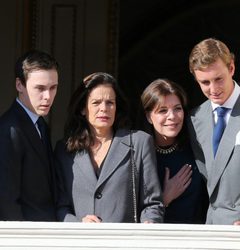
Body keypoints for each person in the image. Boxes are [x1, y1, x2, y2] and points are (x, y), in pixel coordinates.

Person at [54, 72, 164, 223]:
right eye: (96, 102)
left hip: (124, 243)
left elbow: (152, 204)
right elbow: (60, 207)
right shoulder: (64, 150)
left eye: (110, 102)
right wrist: (79, 224)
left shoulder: (139, 142)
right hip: (80, 243)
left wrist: (149, 224)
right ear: (83, 109)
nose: (104, 108)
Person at [188, 37, 240, 225]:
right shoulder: (195, 118)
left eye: (218, 79)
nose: (213, 89)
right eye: (205, 82)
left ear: (231, 68)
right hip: (212, 228)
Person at [0, 50, 59, 221]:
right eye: (40, 88)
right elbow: (6, 199)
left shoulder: (40, 125)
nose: (48, 96)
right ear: (19, 85)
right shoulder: (7, 130)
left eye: (53, 87)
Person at [141, 78, 208, 223]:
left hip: (197, 240)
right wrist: (164, 198)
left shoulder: (197, 148)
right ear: (149, 117)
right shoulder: (139, 155)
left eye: (177, 108)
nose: (172, 116)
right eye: (163, 110)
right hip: (155, 240)